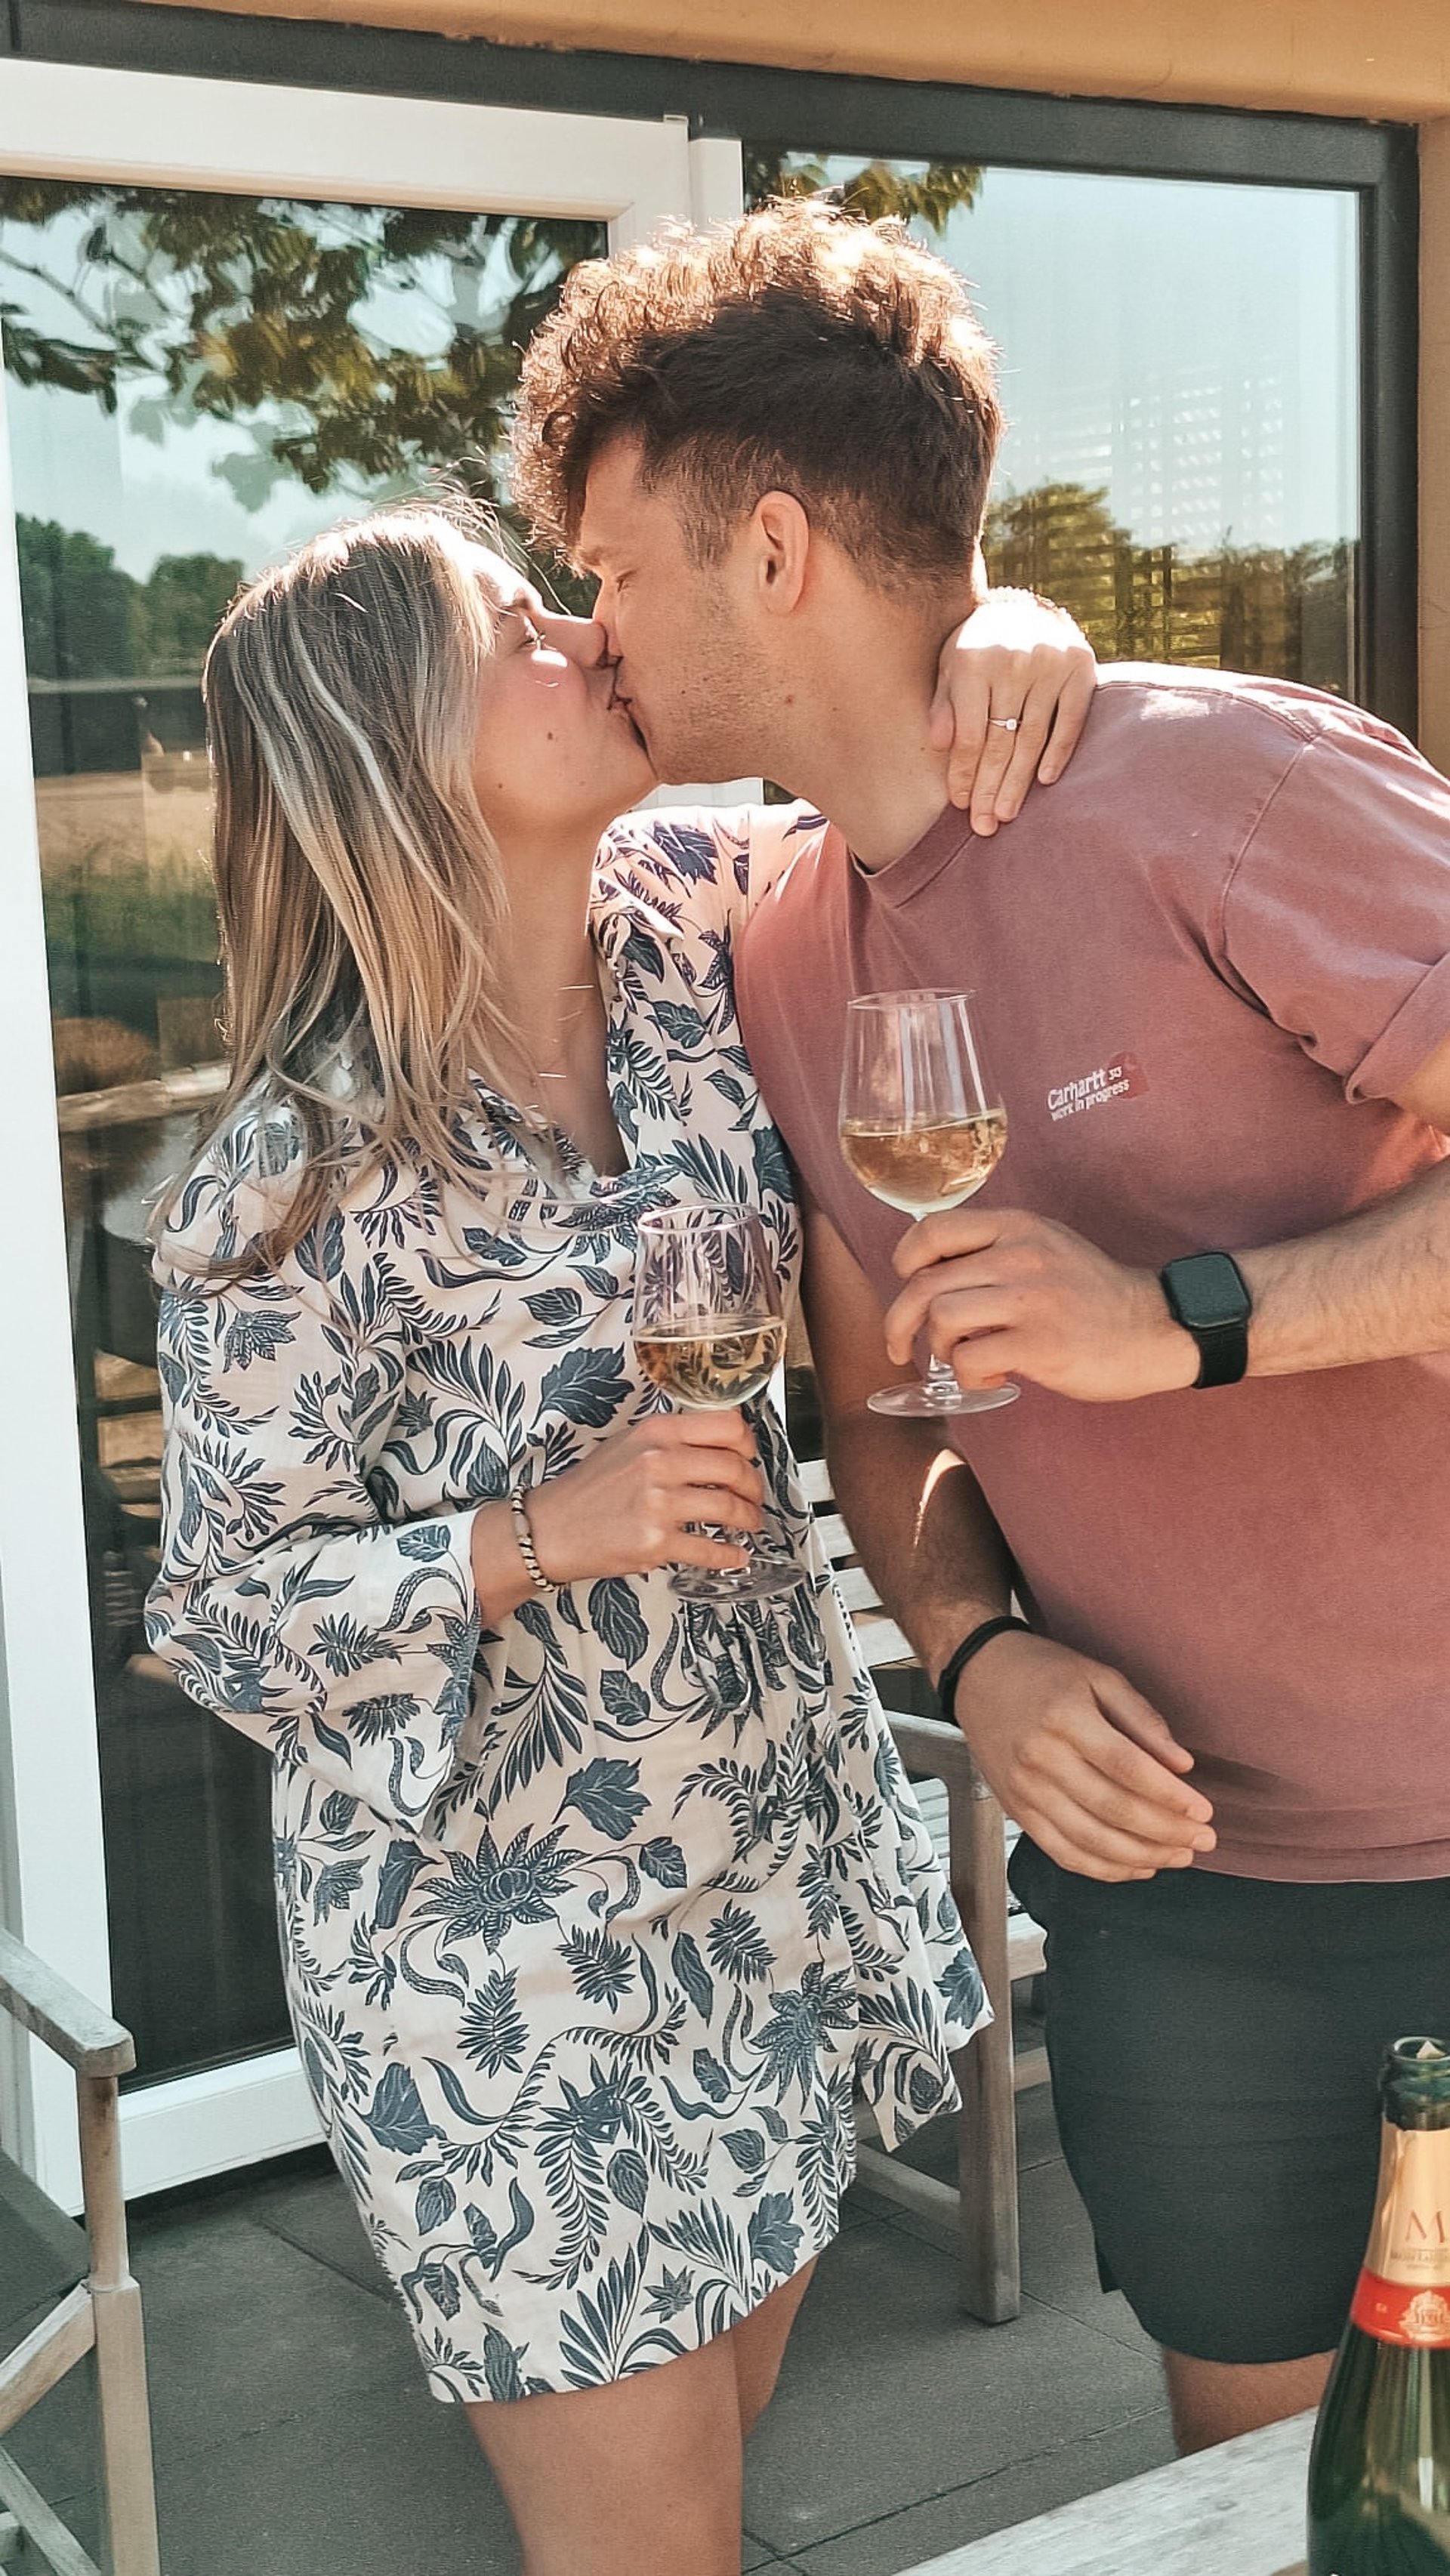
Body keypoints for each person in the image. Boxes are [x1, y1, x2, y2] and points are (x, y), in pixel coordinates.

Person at [512, 195, 1450, 2460]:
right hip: (1179, 1897)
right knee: (1267, 2493)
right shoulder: (771, 945)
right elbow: (879, 1403)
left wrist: (1189, 1320)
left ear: (771, 550)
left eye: (612, 569)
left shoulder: (1220, 789)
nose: (593, 628)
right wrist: (980, 1653)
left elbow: (1145, 1316)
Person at [142, 495, 1094, 2574]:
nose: (584, 630)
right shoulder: (292, 1176)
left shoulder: (695, 925)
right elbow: (217, 1613)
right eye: (514, 630)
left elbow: (912, 783)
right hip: (503, 1966)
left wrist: (1008, 629)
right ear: (390, 750)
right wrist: (524, 1537)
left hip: (768, 1868)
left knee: (716, 2462)